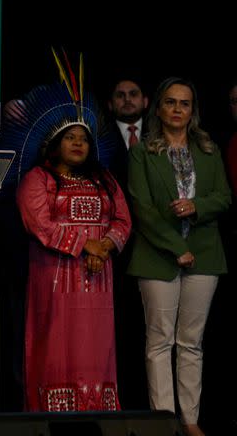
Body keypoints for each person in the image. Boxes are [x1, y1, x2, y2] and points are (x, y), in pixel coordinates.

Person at [127, 77, 230, 436]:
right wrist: (176, 248)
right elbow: (142, 208)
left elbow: (223, 197)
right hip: (158, 255)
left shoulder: (208, 148)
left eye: (184, 104)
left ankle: (190, 420)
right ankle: (164, 420)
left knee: (191, 343)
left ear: (192, 110)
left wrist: (195, 206)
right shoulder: (143, 152)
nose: (177, 109)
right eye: (170, 102)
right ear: (158, 108)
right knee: (159, 341)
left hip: (204, 254)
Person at [17, 122, 131, 412]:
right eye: (70, 138)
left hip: (98, 277)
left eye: (84, 139)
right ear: (55, 144)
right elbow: (38, 222)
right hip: (55, 276)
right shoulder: (39, 178)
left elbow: (122, 220)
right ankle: (52, 414)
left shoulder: (104, 179)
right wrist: (84, 245)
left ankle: (96, 410)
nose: (78, 144)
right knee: (56, 341)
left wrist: (103, 246)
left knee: (97, 344)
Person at [104, 77, 150, 410]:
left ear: (146, 101)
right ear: (110, 104)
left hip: (157, 245)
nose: (127, 100)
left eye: (133, 94)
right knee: (122, 328)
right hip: (117, 248)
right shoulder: (99, 140)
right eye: (120, 96)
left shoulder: (161, 138)